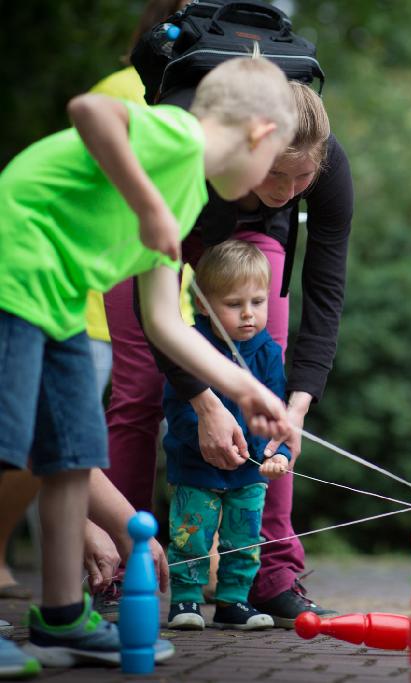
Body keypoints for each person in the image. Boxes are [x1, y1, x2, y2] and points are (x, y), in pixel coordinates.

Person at [0, 55, 295, 676]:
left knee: (73, 453)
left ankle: (60, 619)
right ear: (260, 133)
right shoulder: (176, 136)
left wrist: (246, 391)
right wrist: (147, 205)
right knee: (10, 446)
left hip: (58, 302)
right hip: (14, 271)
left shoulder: (186, 195)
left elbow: (165, 320)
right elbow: (89, 111)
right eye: (272, 164)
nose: (265, 186)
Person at [100, 79, 352, 627]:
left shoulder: (326, 170)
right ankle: (122, 569)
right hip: (145, 224)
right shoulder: (185, 150)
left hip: (246, 236)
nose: (288, 190)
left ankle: (270, 575)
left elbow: (326, 290)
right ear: (251, 143)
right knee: (141, 389)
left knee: (266, 382)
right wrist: (203, 400)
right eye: (275, 174)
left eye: (301, 176)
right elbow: (159, 316)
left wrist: (299, 405)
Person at [163, 241, 292, 631]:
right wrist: (199, 442)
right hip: (196, 468)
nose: (249, 314)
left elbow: (276, 413)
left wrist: (278, 453)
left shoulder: (268, 352)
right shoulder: (191, 345)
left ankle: (234, 601)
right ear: (203, 304)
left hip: (248, 474)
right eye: (235, 304)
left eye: (258, 301)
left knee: (245, 539)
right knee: (190, 536)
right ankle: (185, 600)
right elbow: (178, 406)